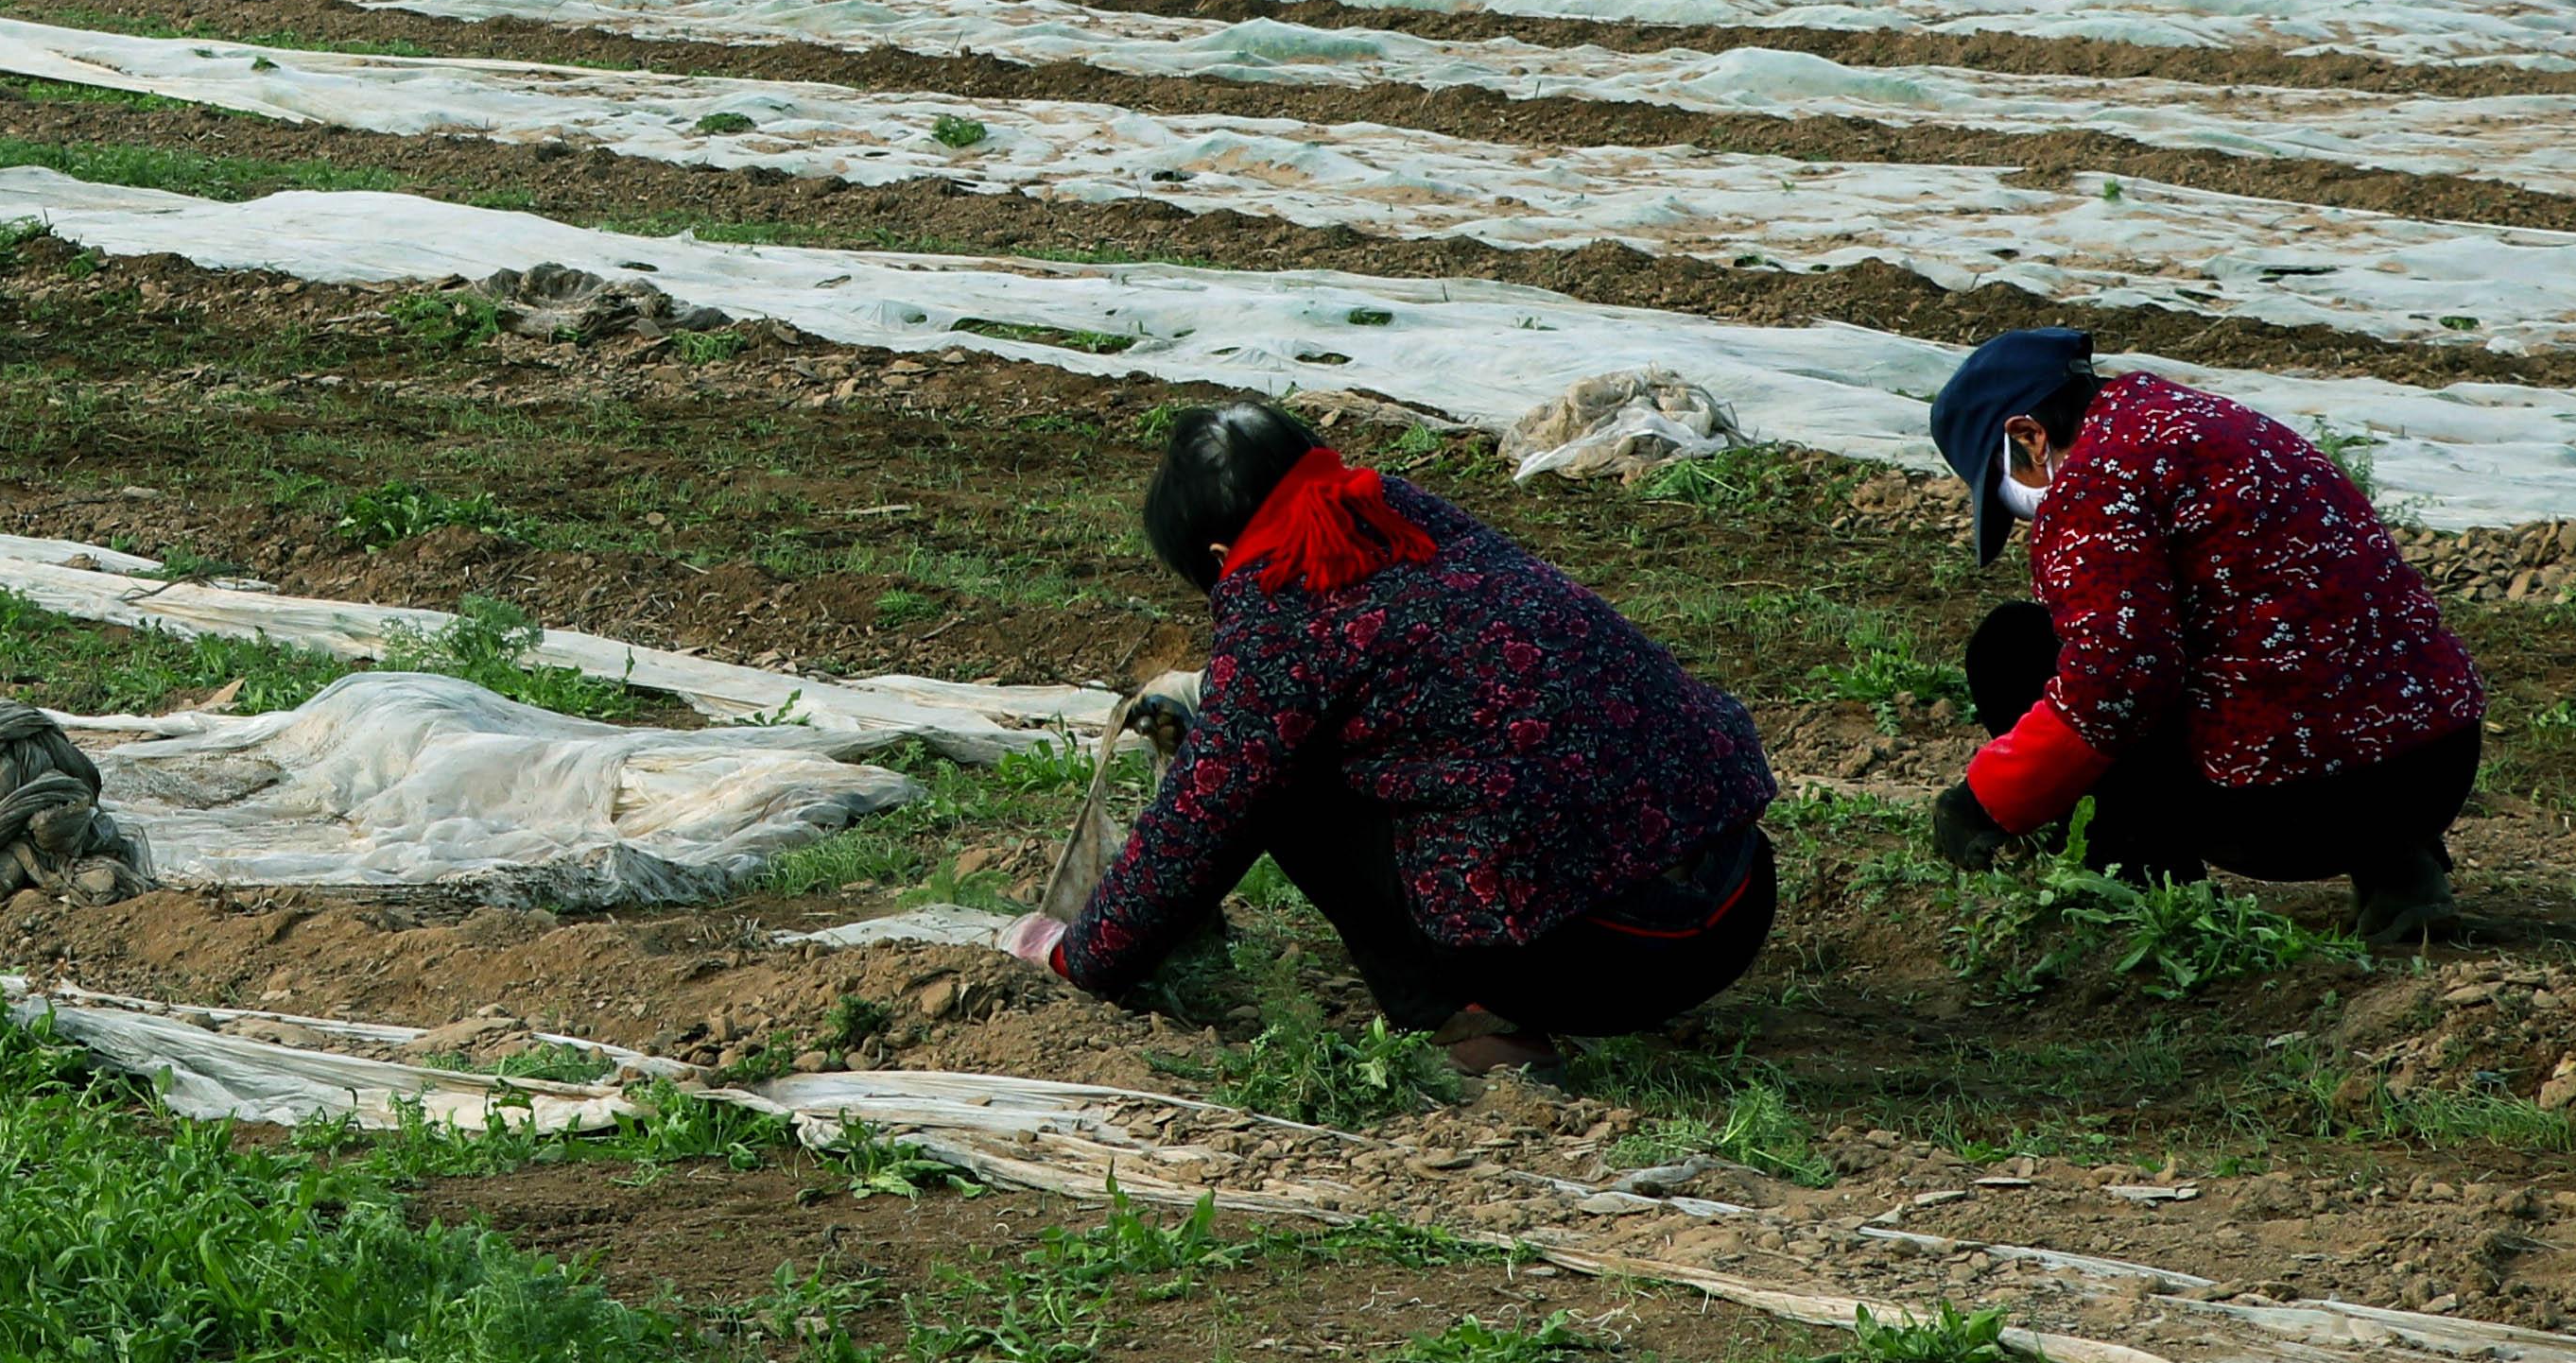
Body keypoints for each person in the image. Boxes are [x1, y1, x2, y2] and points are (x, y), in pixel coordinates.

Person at [1009, 400, 1779, 1074]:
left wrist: (1080, 955)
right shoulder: (1413, 521)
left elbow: (1201, 825)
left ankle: (1467, 1019)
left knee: (1271, 779)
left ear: (1219, 557)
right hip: (1735, 901)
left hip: (1610, 957)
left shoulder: (1280, 611)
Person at [1918, 328, 2481, 944]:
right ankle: (2399, 868)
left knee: (2016, 646)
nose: (2027, 513)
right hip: (2438, 767)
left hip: (2298, 809)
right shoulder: (2217, 423)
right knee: (2286, 633)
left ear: (2028, 436)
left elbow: (2119, 678)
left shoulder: (2093, 479)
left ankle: (2140, 890)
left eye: (2008, 492)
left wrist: (1986, 799)